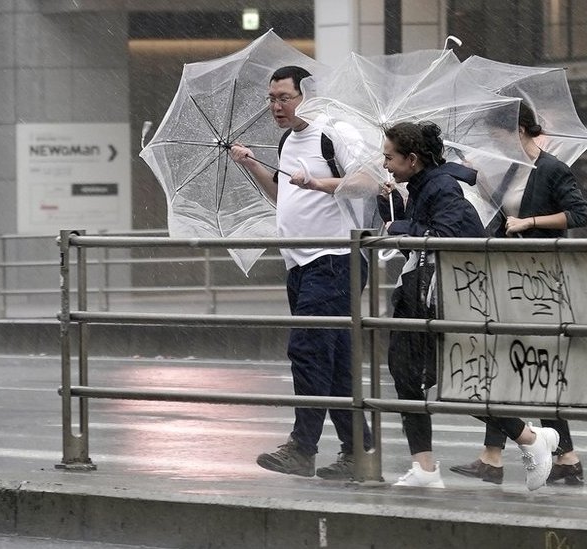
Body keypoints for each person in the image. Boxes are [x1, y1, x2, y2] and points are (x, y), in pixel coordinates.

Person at [381, 120, 559, 490]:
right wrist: (395, 213)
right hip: (424, 296)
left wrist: (400, 228)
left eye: (389, 157)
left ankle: (530, 438)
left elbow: (446, 236)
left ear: (412, 159)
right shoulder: (421, 185)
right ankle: (426, 467)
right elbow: (418, 239)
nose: (384, 164)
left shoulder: (442, 187)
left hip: (442, 298)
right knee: (407, 373)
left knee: (454, 381)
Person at [229, 65, 373, 481]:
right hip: (301, 264)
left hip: (333, 259)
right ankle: (359, 449)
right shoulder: (288, 140)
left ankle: (302, 447)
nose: (275, 106)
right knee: (337, 361)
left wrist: (318, 184)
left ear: (306, 95)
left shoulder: (334, 132)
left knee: (308, 350)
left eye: (284, 98)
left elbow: (368, 181)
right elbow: (283, 196)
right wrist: (252, 165)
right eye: (271, 99)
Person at [449, 102, 587, 486]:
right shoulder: (514, 169)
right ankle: (556, 458)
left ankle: (508, 458)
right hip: (511, 277)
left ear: (520, 130)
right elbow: (502, 209)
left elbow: (579, 213)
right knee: (518, 368)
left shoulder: (552, 168)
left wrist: (530, 222)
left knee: (522, 367)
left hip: (539, 281)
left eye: (500, 136)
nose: (497, 144)